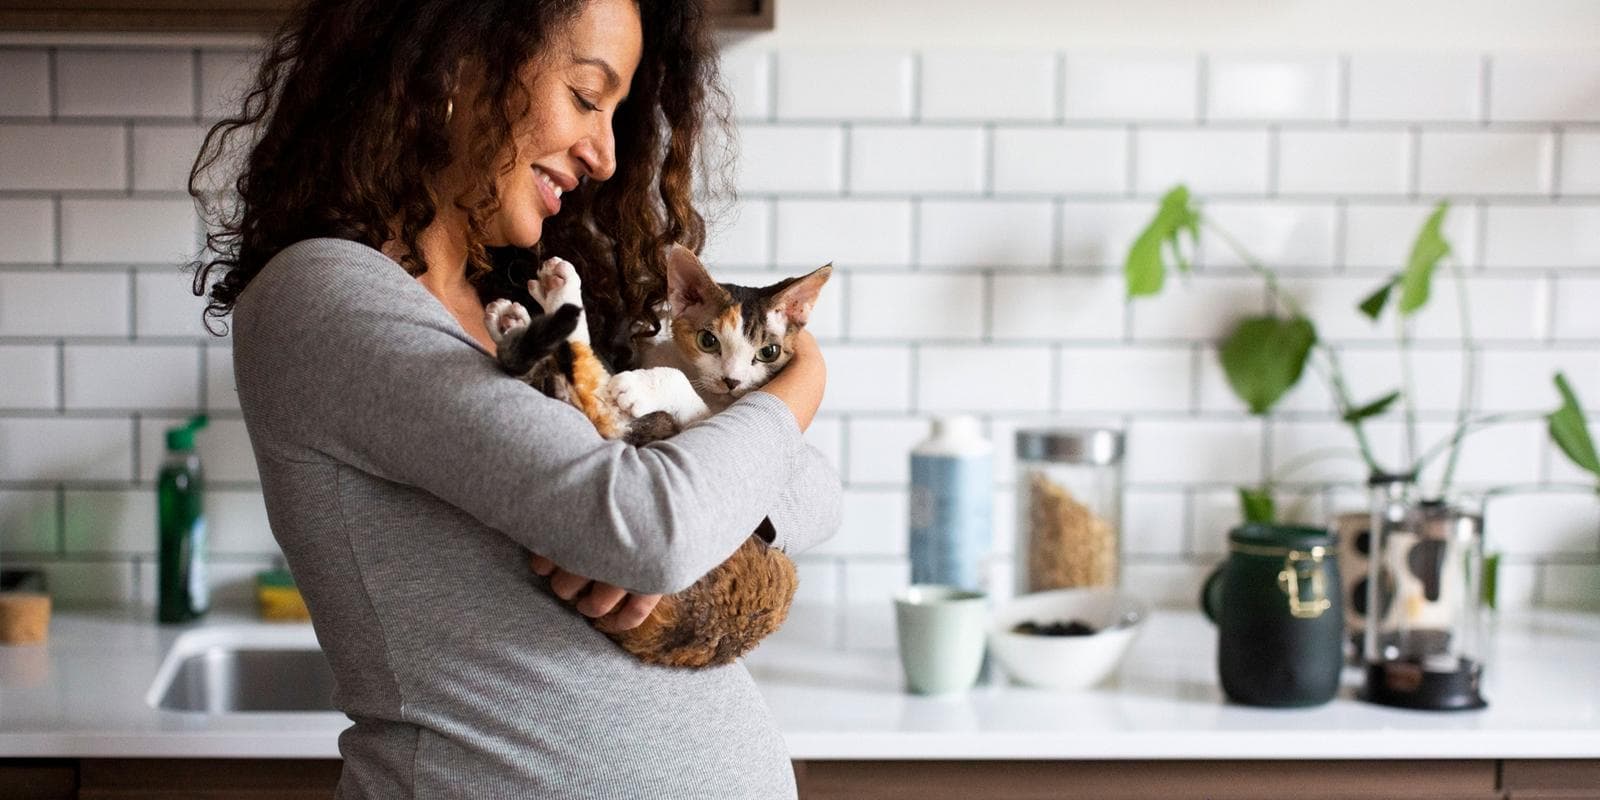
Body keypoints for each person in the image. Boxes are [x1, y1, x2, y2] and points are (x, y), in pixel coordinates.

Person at [187, 0, 841, 796]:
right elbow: (652, 524)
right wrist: (805, 375)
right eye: (587, 97)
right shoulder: (324, 297)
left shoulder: (526, 305)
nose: (604, 154)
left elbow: (815, 494)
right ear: (462, 61)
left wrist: (724, 517)